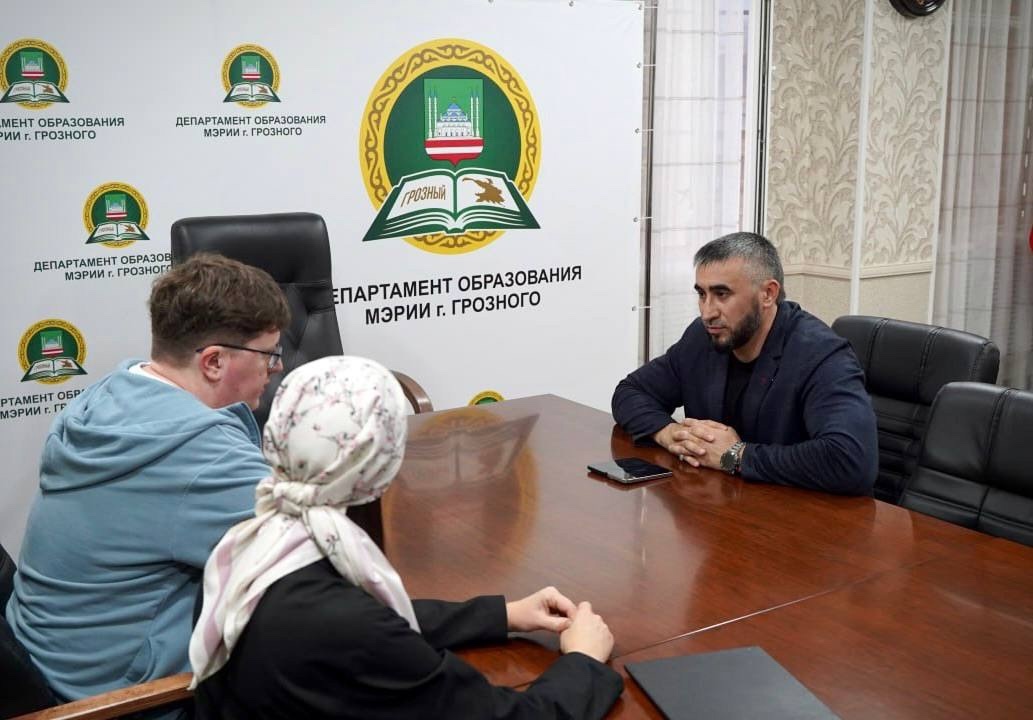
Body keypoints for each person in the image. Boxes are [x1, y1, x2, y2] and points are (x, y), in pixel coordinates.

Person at [190, 356, 623, 719]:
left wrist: (502, 615)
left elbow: (374, 619)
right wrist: (583, 661)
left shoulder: (250, 544)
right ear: (381, 464)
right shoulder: (348, 625)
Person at [6, 253, 290, 704]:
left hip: (54, 661)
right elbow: (316, 549)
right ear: (214, 362)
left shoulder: (109, 394)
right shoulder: (205, 455)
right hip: (120, 701)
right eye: (269, 355)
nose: (276, 369)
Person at [612, 232, 877, 495]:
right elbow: (630, 392)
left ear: (768, 294)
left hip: (799, 512)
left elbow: (851, 460)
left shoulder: (821, 354)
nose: (707, 312)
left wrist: (736, 456)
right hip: (722, 504)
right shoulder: (702, 337)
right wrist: (669, 434)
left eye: (722, 294)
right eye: (702, 294)